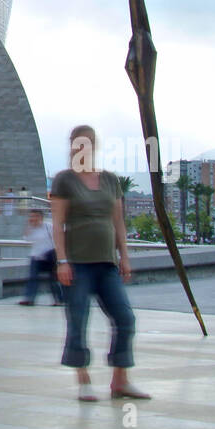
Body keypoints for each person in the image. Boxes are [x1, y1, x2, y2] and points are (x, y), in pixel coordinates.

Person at [51, 125, 150, 403]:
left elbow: (118, 221)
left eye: (87, 144)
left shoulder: (109, 180)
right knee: (78, 319)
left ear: (94, 146)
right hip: (77, 263)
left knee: (125, 318)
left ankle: (120, 381)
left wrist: (125, 256)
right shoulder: (64, 181)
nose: (82, 149)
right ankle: (83, 380)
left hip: (106, 263)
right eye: (77, 144)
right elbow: (58, 225)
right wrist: (62, 261)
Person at [19, 208, 63, 305]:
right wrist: (28, 226)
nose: (33, 218)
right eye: (31, 216)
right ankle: (29, 298)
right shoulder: (31, 228)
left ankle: (58, 299)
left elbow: (57, 238)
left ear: (41, 217)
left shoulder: (48, 226)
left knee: (53, 279)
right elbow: (26, 238)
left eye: (35, 216)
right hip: (36, 257)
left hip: (49, 256)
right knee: (32, 277)